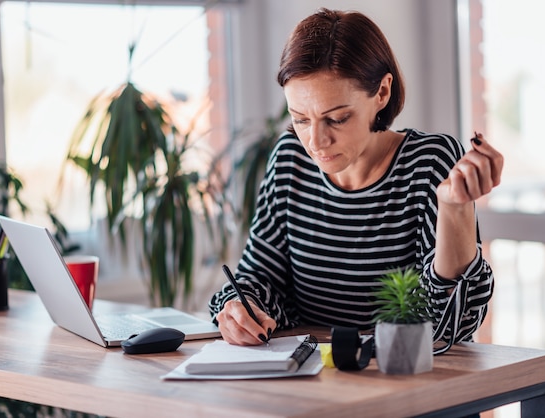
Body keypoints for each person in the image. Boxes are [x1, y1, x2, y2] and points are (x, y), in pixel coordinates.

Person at [209, 8, 503, 347]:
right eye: (300, 119)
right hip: (310, 380)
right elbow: (262, 278)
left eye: (337, 119)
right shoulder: (291, 158)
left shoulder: (429, 161)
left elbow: (453, 325)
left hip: (405, 381)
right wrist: (239, 306)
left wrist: (454, 209)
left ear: (381, 93)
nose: (316, 143)